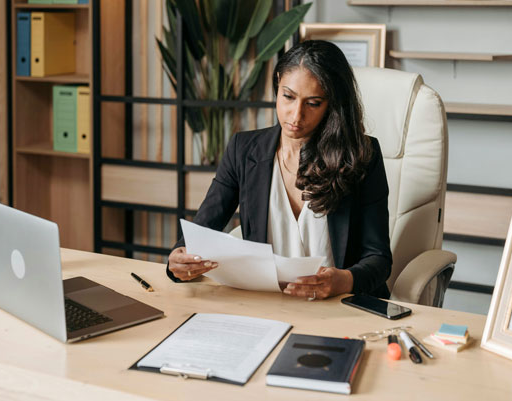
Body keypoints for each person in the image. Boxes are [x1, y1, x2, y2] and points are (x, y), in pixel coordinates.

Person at [167, 40, 392, 300]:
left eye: (313, 103)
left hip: (339, 305)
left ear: (333, 103)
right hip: (268, 304)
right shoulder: (244, 150)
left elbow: (379, 259)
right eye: (288, 96)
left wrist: (342, 281)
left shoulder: (362, 155)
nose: (296, 116)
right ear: (277, 83)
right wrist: (179, 259)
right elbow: (203, 230)